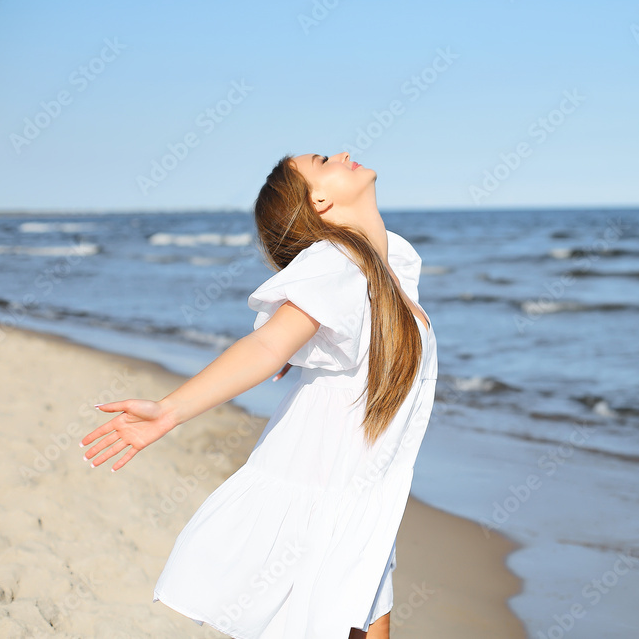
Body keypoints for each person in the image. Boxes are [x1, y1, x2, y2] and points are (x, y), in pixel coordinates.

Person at [80, 152, 438, 638]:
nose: (344, 155)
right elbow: (269, 344)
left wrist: (309, 341)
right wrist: (169, 410)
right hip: (322, 486)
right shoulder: (339, 262)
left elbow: (337, 330)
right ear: (320, 200)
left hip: (360, 491)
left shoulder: (386, 263)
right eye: (324, 160)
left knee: (362, 609)